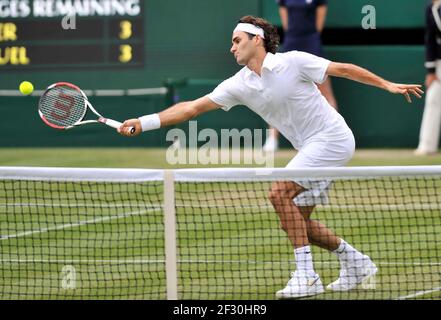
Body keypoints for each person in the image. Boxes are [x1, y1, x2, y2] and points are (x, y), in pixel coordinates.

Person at [118, 16, 423, 298]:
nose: (231, 47)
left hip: (332, 139)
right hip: (310, 148)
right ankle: (357, 263)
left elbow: (341, 69)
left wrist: (386, 84)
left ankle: (307, 276)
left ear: (257, 40)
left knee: (279, 195)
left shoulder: (294, 61)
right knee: (296, 221)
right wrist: (145, 122)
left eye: (237, 40)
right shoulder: (238, 84)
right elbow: (192, 108)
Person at [263, 0, 338, 152]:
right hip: (292, 42)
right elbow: (286, 24)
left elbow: (318, 25)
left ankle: (335, 135)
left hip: (312, 42)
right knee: (278, 92)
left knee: (326, 92)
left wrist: (310, 37)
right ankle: (272, 139)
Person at [415, 0, 441, 155]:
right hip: (439, 63)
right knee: (433, 98)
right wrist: (431, 71)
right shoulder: (430, 9)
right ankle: (427, 145)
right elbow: (430, 39)